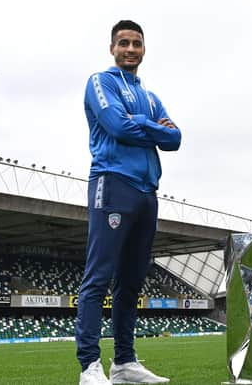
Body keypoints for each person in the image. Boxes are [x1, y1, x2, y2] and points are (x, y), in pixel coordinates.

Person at [76, 20, 181, 385]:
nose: (131, 49)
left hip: (147, 191)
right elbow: (117, 127)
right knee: (99, 275)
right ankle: (89, 365)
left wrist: (139, 121)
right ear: (112, 48)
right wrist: (152, 128)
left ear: (144, 49)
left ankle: (124, 362)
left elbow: (176, 138)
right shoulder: (99, 82)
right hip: (113, 182)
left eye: (137, 43)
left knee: (132, 281)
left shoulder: (150, 97)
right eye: (124, 43)